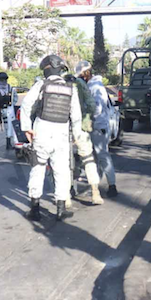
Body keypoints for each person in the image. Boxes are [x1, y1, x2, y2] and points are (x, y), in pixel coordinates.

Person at [20, 55, 82, 222]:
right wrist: (76, 135)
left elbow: (26, 105)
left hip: (42, 131)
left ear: (46, 69)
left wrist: (26, 128)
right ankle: (61, 210)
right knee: (61, 170)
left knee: (38, 168)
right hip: (62, 133)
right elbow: (76, 116)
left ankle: (35, 210)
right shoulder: (71, 88)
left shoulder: (41, 85)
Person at [69, 61, 104, 205]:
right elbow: (91, 105)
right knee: (88, 159)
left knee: (63, 162)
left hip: (62, 128)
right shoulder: (80, 84)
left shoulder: (56, 84)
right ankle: (95, 192)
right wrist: (87, 120)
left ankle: (66, 195)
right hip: (80, 128)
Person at [88, 71, 119, 197]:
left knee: (102, 157)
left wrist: (88, 118)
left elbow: (97, 108)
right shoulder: (98, 85)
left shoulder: (94, 87)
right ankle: (96, 186)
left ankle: (112, 186)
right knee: (98, 158)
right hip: (100, 126)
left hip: (98, 126)